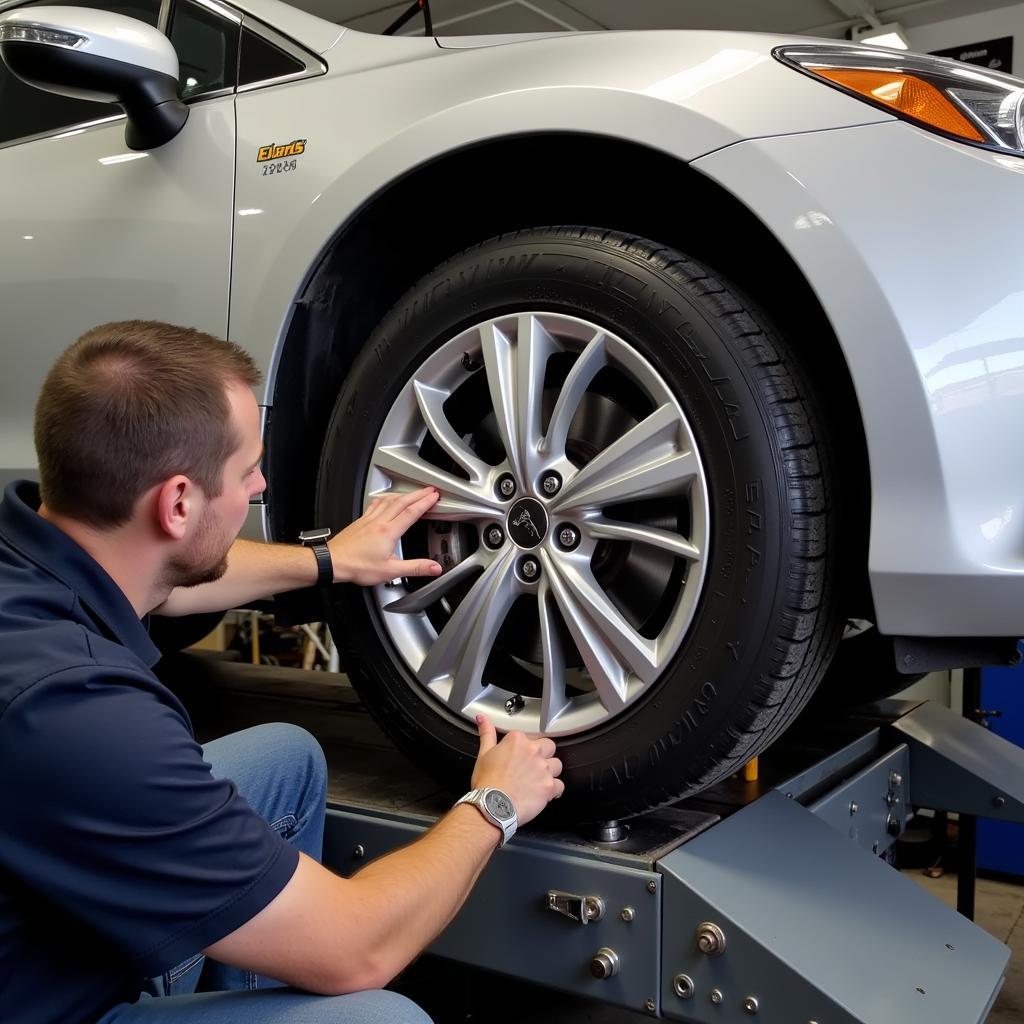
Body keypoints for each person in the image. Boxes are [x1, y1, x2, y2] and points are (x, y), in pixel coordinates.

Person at [0, 320, 564, 1024]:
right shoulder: (86, 717)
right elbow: (359, 949)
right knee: (384, 1019)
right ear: (176, 503)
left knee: (287, 759)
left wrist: (332, 561)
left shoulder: (30, 550)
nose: (263, 484)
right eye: (247, 472)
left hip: (45, 920)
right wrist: (493, 805)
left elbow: (173, 581)